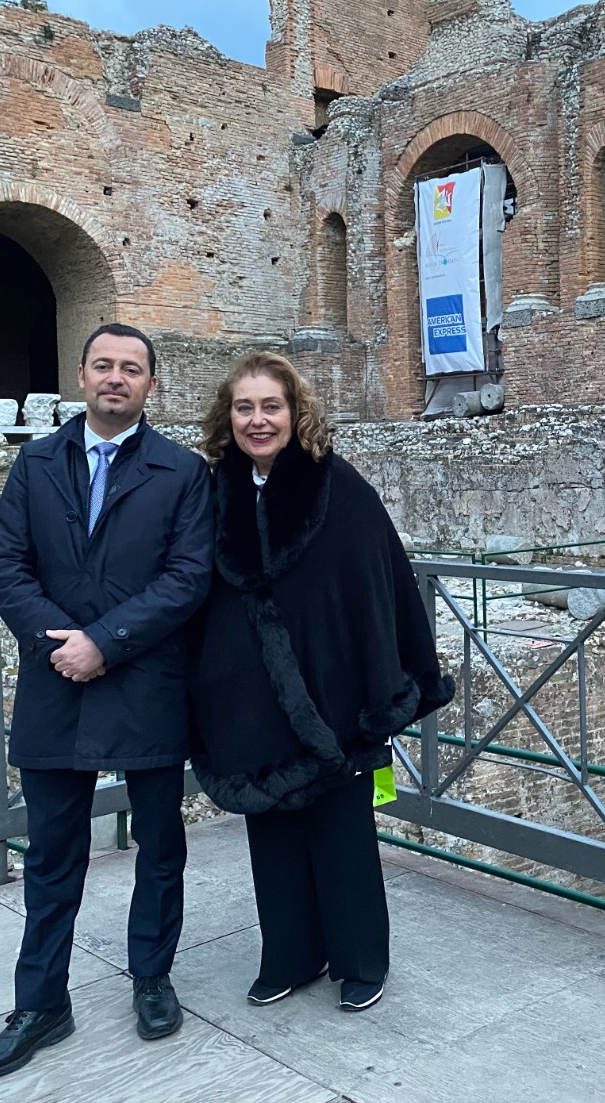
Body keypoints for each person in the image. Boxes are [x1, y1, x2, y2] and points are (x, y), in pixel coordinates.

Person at [0, 324, 213, 1078]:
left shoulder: (182, 471)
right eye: (104, 365)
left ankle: (152, 977)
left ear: (150, 384)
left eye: (131, 369)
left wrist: (104, 641)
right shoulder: (35, 463)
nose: (116, 378)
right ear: (81, 375)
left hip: (143, 683)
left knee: (159, 847)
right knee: (51, 854)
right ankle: (42, 1002)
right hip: (56, 685)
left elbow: (187, 576)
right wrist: (60, 646)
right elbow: (5, 564)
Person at [188, 351, 452, 1011]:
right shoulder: (213, 490)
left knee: (343, 836)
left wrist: (384, 684)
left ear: (294, 411)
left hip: (336, 692)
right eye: (244, 408)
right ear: (228, 416)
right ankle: (291, 954)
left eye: (270, 406)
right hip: (249, 693)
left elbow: (379, 583)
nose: (257, 420)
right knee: (272, 831)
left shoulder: (339, 486)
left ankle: (361, 959)